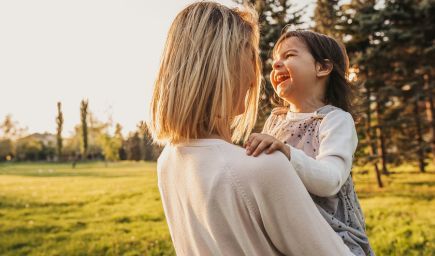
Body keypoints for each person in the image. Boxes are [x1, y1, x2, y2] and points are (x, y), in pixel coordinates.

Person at [148, 2, 353, 255]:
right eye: (251, 55)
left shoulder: (168, 160)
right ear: (224, 65)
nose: (259, 71)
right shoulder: (265, 166)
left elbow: (331, 177)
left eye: (288, 57)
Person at [245, 30, 374, 256]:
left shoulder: (335, 120)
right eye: (275, 59)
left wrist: (287, 153)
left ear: (322, 68)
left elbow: (329, 180)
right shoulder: (275, 120)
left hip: (332, 237)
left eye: (289, 55)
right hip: (287, 235)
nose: (276, 64)